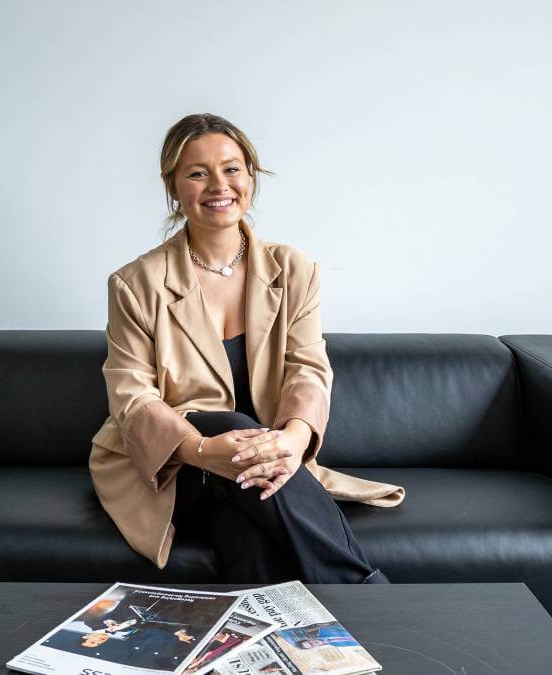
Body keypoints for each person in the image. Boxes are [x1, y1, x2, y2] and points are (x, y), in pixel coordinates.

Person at [89, 113, 406, 583]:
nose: (219, 184)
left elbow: (308, 369)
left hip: (262, 467)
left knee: (248, 534)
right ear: (173, 188)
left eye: (232, 168)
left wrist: (295, 441)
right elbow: (133, 399)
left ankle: (278, 648)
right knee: (238, 429)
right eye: (197, 173)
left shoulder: (294, 269)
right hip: (176, 465)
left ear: (251, 177)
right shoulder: (135, 284)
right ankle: (371, 600)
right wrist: (201, 450)